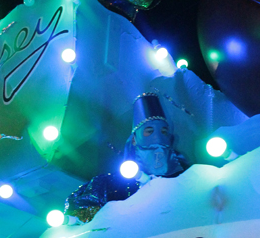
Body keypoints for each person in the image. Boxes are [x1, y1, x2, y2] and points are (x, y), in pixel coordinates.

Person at [65, 92, 187, 223]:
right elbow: (77, 215)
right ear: (134, 139)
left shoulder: (186, 180)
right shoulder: (109, 185)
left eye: (164, 132)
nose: (158, 138)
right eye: (149, 131)